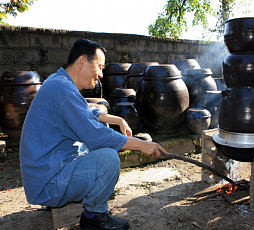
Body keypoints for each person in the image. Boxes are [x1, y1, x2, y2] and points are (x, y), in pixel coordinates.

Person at [19, 38, 167, 230]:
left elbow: (86, 111)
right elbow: (96, 137)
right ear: (81, 62)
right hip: (48, 183)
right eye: (99, 66)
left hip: (45, 173)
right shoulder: (63, 89)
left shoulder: (59, 82)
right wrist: (140, 144)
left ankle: (88, 204)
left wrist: (118, 120)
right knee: (108, 158)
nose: (101, 74)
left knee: (95, 144)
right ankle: (94, 216)